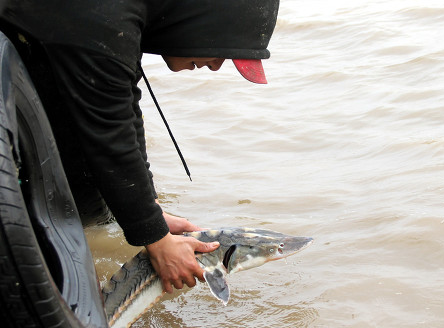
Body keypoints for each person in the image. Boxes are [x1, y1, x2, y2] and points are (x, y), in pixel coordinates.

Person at [0, 0, 279, 293]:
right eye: (222, 52)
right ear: (204, 20)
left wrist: (152, 212)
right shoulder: (101, 17)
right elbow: (109, 133)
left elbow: (125, 108)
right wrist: (156, 241)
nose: (215, 66)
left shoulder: (124, 21)